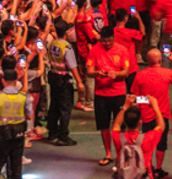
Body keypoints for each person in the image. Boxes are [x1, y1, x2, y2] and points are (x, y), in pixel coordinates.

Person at [111, 95, 165, 179]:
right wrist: (155, 106)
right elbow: (161, 126)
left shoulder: (118, 138)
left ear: (126, 121)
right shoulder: (147, 139)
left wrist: (126, 106)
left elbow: (116, 125)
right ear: (140, 122)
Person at [130, 47, 172, 179]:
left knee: (147, 143)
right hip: (162, 116)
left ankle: (148, 167)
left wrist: (147, 101)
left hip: (146, 116)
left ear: (147, 60)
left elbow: (134, 97)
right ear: (160, 59)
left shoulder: (140, 75)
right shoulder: (167, 73)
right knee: (161, 143)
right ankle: (158, 169)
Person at [88, 26, 132, 166]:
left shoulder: (122, 50)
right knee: (104, 125)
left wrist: (116, 74)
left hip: (118, 93)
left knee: (121, 125)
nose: (107, 43)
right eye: (104, 41)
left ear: (114, 38)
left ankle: (122, 153)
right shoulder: (95, 49)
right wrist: (97, 73)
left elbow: (126, 72)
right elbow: (89, 70)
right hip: (101, 93)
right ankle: (108, 153)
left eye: (109, 41)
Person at [46, 18, 86, 146]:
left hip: (53, 77)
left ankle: (52, 132)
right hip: (63, 80)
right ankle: (63, 136)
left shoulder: (52, 43)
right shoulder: (67, 47)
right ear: (67, 32)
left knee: (54, 106)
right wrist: (79, 82)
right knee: (65, 108)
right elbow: (73, 66)